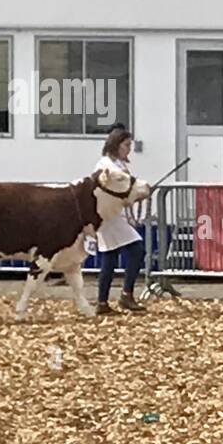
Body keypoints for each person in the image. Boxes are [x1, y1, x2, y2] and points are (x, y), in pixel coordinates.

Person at [93, 127, 147, 314]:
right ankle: (126, 294)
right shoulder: (107, 166)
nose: (129, 149)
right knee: (136, 249)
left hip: (115, 216)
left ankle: (103, 302)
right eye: (126, 145)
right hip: (109, 217)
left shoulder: (118, 164)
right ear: (116, 145)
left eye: (130, 145)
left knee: (110, 257)